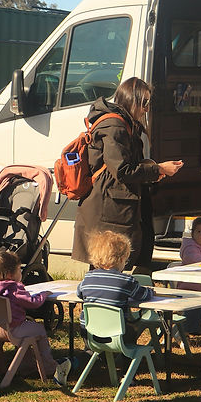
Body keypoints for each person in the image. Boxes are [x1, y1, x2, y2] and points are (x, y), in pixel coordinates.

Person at [71, 77, 182, 272]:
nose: (146, 109)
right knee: (105, 264)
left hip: (114, 205)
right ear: (131, 99)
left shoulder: (125, 125)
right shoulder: (116, 126)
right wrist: (159, 169)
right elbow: (121, 170)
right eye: (144, 103)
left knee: (108, 263)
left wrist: (151, 171)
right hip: (108, 207)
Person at [0, 251, 71, 388]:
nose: (21, 273)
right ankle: (48, 366)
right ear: (11, 274)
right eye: (19, 269)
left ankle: (27, 366)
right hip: (13, 329)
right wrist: (43, 294)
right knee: (39, 330)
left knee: (30, 328)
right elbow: (32, 302)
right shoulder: (13, 288)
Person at [77, 230, 158, 342]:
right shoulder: (126, 281)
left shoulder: (88, 278)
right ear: (120, 259)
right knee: (132, 330)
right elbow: (143, 295)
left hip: (89, 334)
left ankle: (97, 356)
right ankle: (126, 358)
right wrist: (151, 291)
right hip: (117, 335)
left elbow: (79, 293)